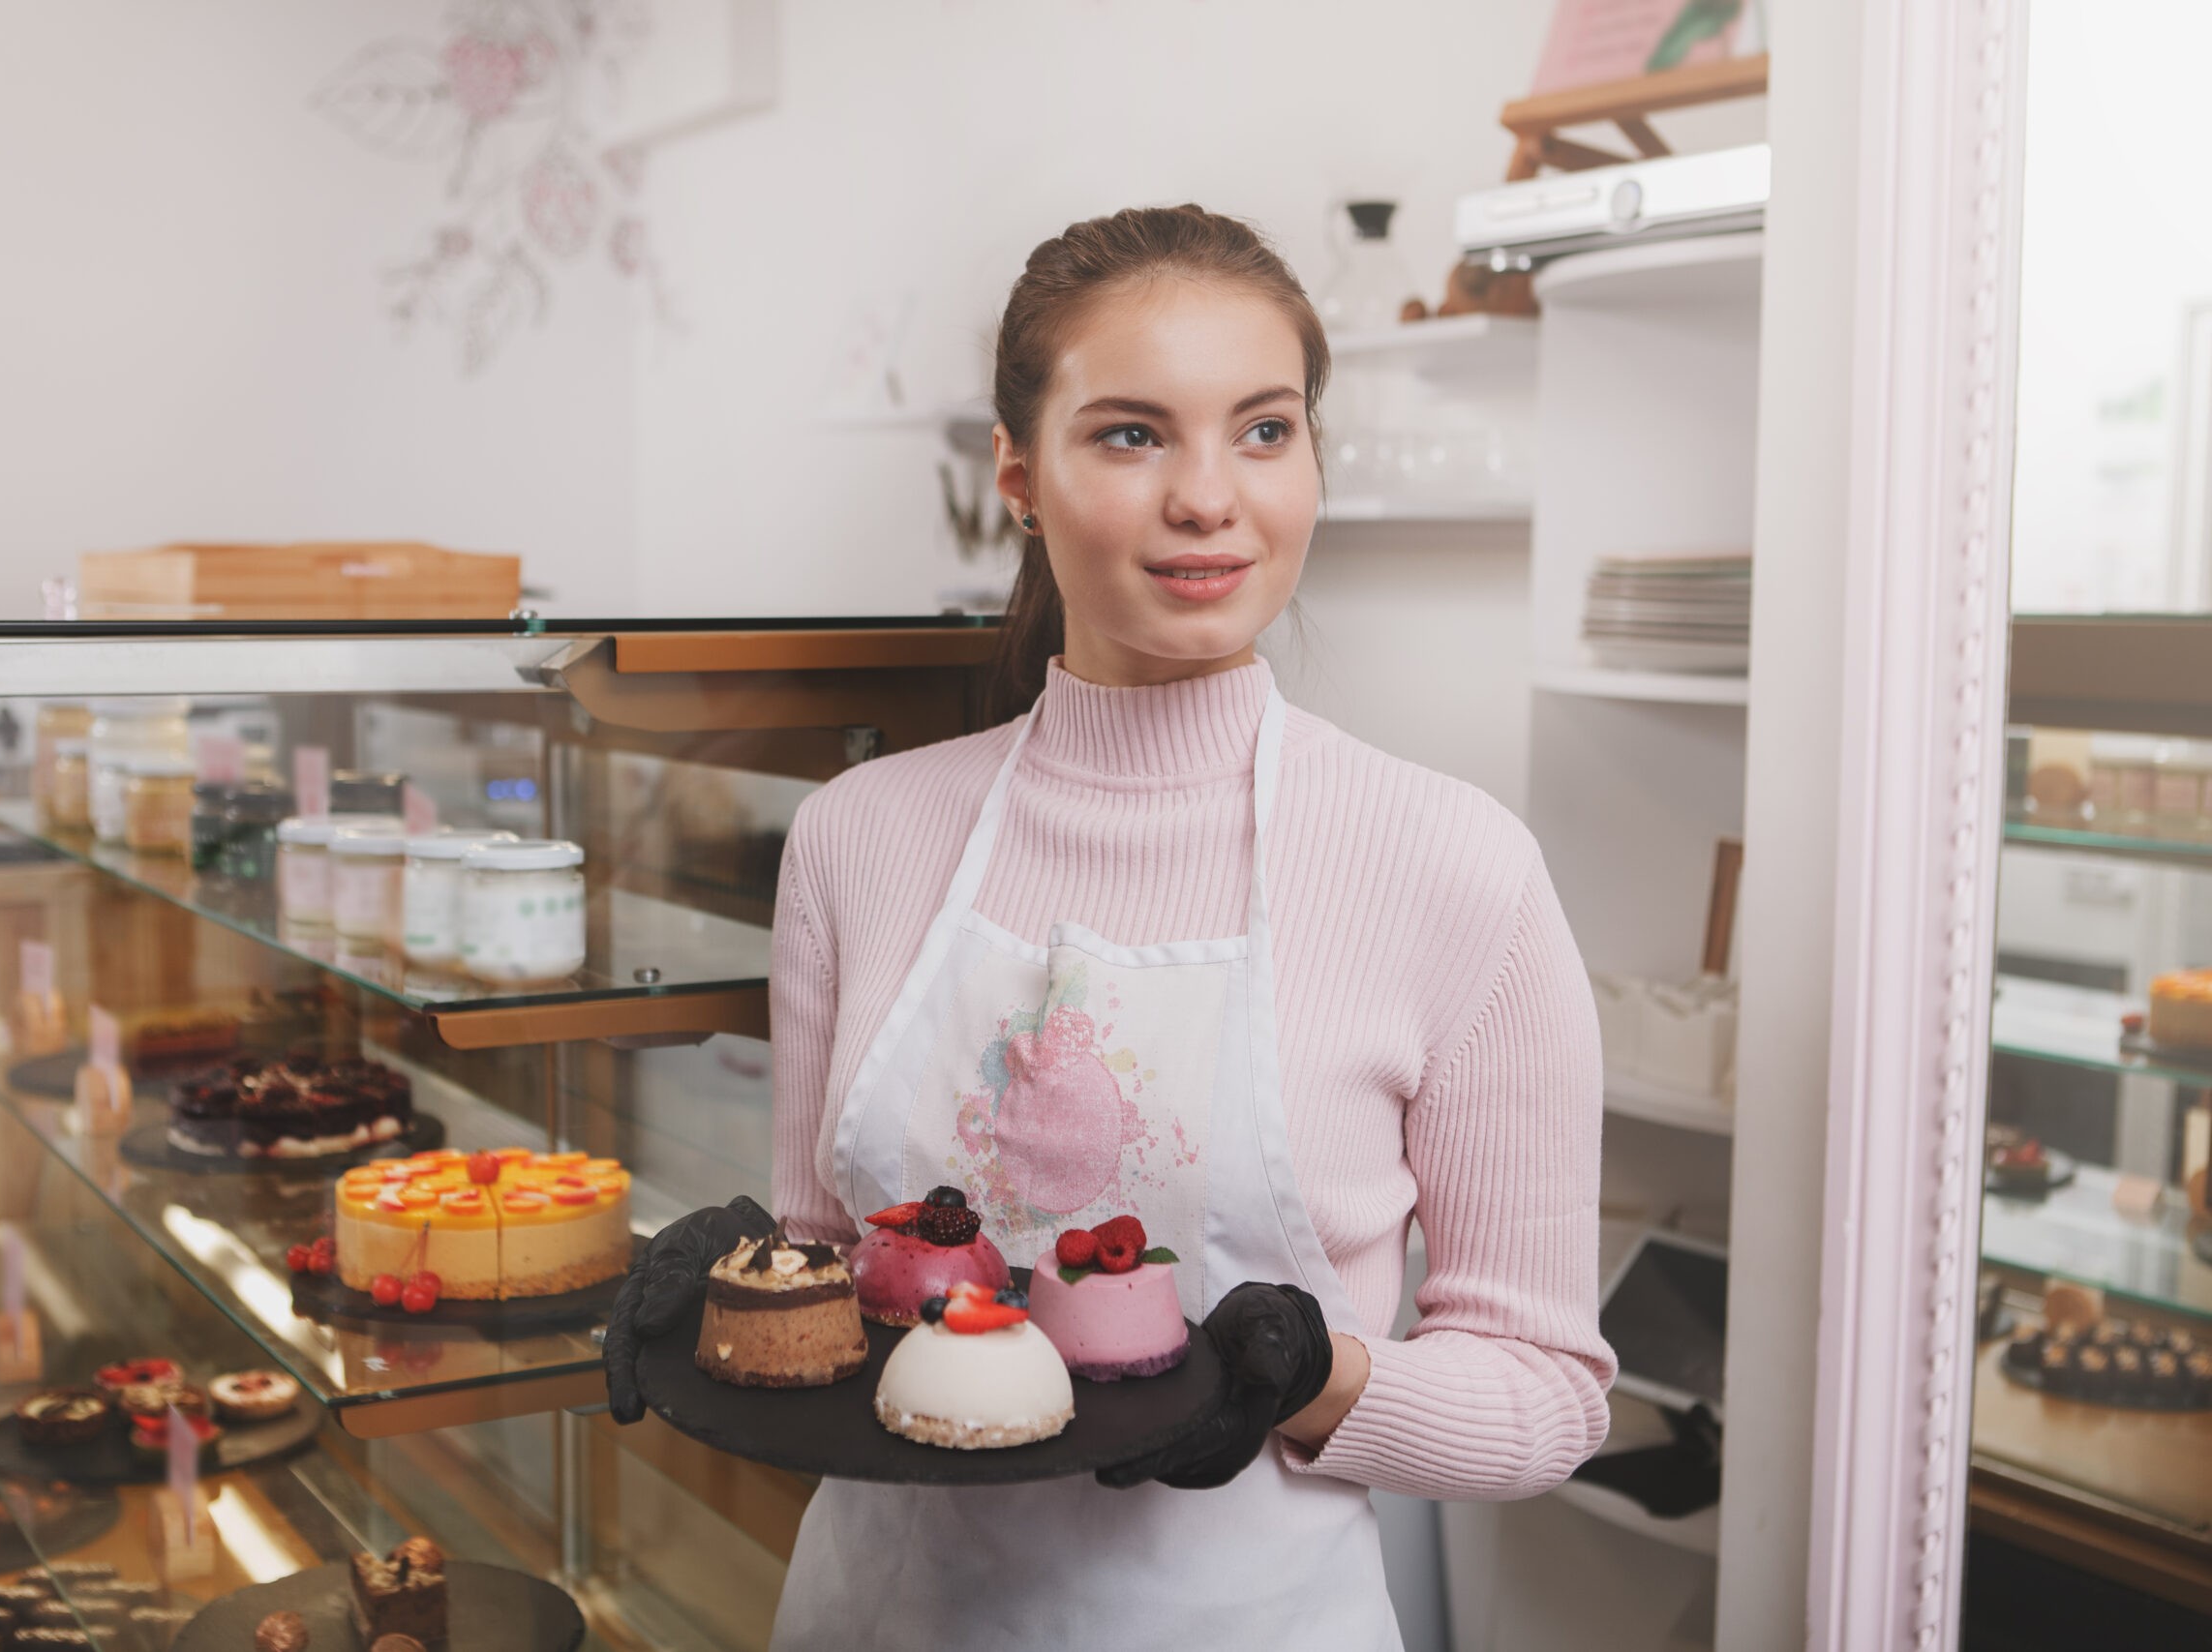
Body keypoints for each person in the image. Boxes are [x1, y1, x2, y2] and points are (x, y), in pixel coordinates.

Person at [607, 204, 1613, 1649]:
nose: (1210, 498)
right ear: (1019, 475)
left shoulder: (1454, 867)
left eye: (1264, 431)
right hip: (880, 1619)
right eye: (1132, 434)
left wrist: (1312, 1380)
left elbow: (1546, 1396)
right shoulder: (862, 835)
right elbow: (831, 1273)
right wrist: (725, 1280)